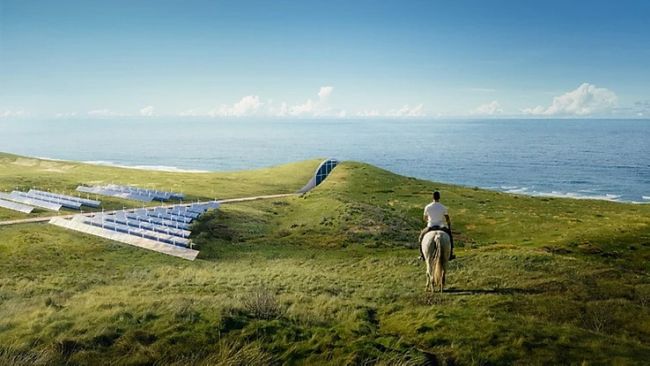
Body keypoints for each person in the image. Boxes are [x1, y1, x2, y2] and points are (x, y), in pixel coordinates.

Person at [418, 191, 455, 260]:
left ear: (432, 197)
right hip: (441, 226)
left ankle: (422, 255)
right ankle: (451, 254)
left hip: (430, 226)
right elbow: (447, 218)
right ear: (439, 197)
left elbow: (424, 218)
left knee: (421, 237)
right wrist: (449, 225)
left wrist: (428, 221)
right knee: (450, 237)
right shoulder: (443, 207)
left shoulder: (428, 207)